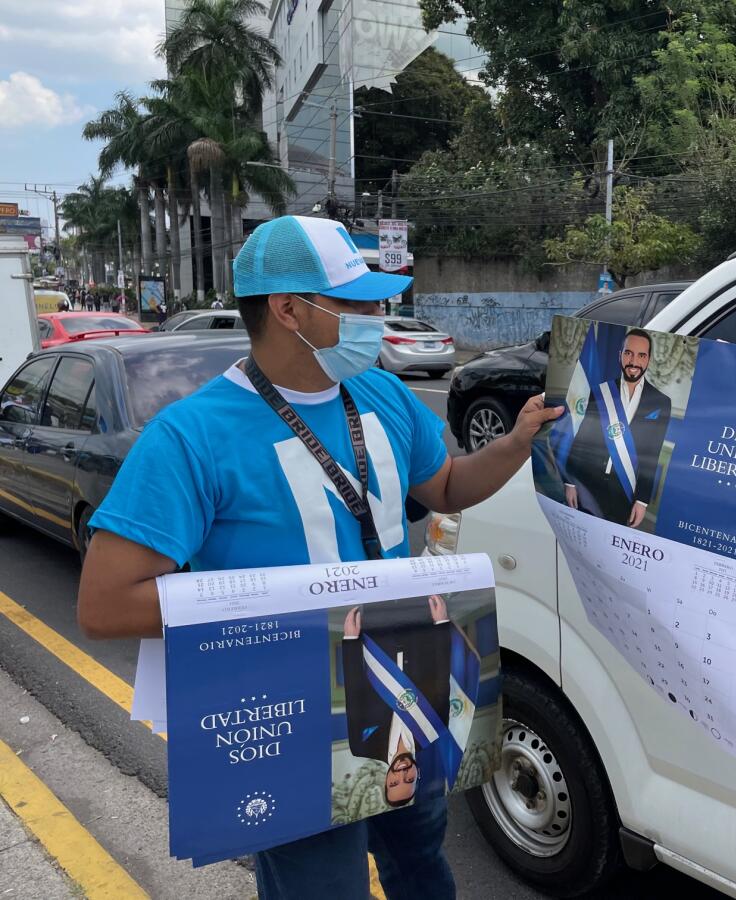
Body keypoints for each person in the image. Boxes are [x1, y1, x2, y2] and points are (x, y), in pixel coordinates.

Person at [76, 214, 561, 900]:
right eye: (358, 303)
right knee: (322, 885)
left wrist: (515, 443)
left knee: (422, 862)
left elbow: (446, 487)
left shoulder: (383, 394)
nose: (377, 316)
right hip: (291, 714)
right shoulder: (190, 437)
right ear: (288, 309)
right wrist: (279, 609)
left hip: (407, 689)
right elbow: (104, 603)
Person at [341, 594, 475, 806]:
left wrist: (350, 641)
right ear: (417, 773)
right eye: (410, 779)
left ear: (386, 779)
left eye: (394, 783)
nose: (402, 773)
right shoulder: (434, 730)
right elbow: (442, 676)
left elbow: (354, 692)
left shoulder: (362, 746)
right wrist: (441, 624)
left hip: (378, 635)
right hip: (419, 633)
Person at [563, 328, 672, 528]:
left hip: (624, 491)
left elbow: (653, 455)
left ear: (648, 360)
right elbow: (583, 438)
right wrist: (570, 482)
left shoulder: (661, 402)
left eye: (641, 355)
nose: (634, 361)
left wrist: (642, 500)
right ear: (619, 355)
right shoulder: (601, 392)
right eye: (628, 353)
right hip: (589, 482)